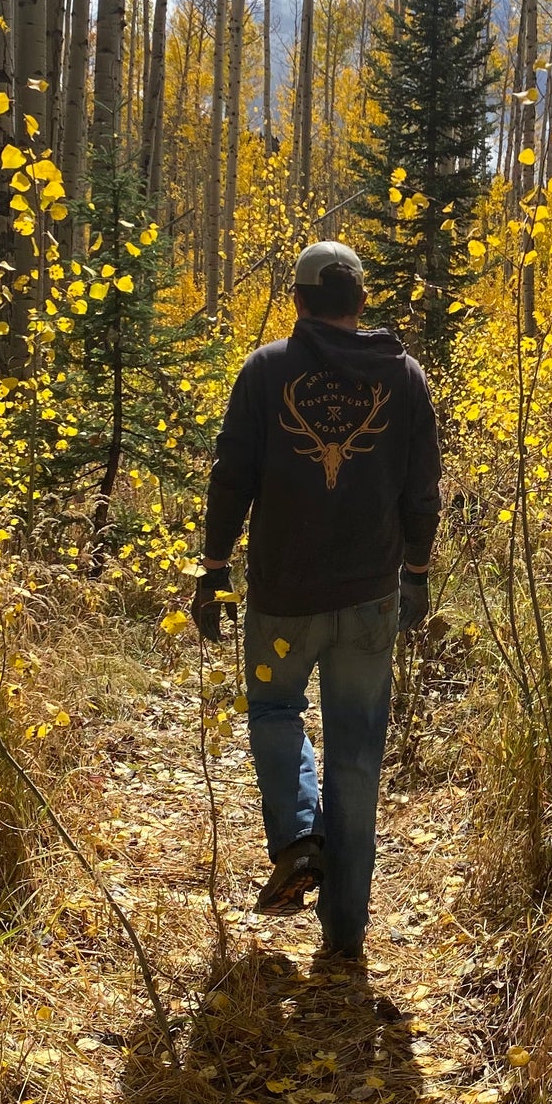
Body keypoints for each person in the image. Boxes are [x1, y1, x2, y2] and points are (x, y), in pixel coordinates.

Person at [192, 241, 441, 960]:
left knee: (273, 709)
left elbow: (231, 476)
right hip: (369, 602)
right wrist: (416, 575)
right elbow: (423, 490)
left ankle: (300, 837)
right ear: (361, 300)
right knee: (358, 754)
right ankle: (346, 934)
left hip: (284, 602)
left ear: (298, 300)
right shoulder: (405, 377)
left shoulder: (267, 370)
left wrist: (214, 570)